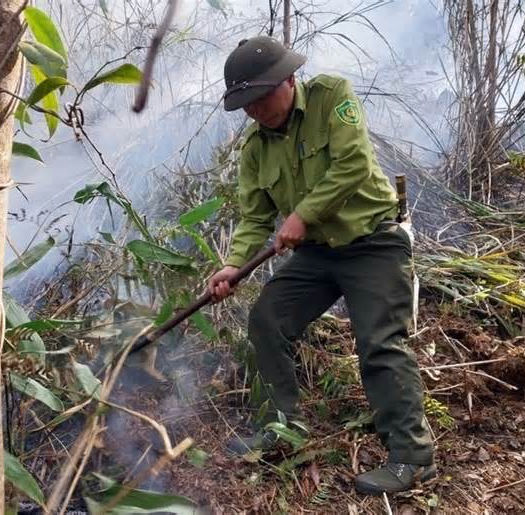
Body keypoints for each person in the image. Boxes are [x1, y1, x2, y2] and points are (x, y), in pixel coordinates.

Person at [208, 35, 436, 495]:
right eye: (245, 104)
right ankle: (280, 429)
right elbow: (254, 218)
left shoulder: (333, 97)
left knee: (380, 344)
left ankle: (412, 459)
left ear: (289, 80)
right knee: (268, 320)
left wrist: (301, 215)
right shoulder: (255, 148)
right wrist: (234, 265)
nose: (254, 111)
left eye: (260, 98)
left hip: (374, 243)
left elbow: (352, 164)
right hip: (317, 254)